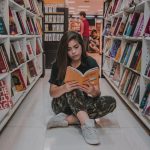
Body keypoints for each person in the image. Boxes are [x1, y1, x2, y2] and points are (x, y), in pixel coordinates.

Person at [47, 31, 116, 145]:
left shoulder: (91, 62)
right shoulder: (58, 64)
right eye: (68, 49)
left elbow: (97, 93)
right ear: (65, 51)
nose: (73, 52)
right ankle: (87, 125)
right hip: (61, 104)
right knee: (74, 86)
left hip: (82, 103)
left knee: (111, 102)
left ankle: (67, 120)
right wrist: (64, 88)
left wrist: (92, 91)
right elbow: (52, 93)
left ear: (81, 46)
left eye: (76, 47)